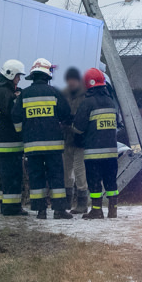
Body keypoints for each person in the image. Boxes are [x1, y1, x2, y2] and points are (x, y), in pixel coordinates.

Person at [12, 58, 73, 219]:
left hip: (32, 146)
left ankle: (40, 211)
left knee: (36, 177)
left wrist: (22, 131)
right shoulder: (55, 93)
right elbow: (66, 114)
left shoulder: (24, 94)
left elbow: (15, 117)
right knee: (56, 176)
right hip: (53, 145)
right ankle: (59, 210)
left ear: (33, 76)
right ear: (47, 76)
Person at [73, 68, 119, 219]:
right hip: (112, 153)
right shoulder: (111, 102)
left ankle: (97, 210)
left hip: (94, 153)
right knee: (111, 182)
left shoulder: (87, 103)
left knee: (94, 183)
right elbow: (117, 123)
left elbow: (78, 128)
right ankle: (113, 210)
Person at [0, 59, 28, 216]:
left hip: (4, 143)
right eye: (17, 76)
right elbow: (14, 113)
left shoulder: (0, 92)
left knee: (8, 177)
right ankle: (11, 208)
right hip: (10, 143)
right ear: (10, 74)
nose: (19, 79)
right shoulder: (5, 94)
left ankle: (7, 206)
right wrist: (19, 100)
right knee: (13, 177)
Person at [61, 67, 89, 215]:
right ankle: (67, 201)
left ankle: (82, 203)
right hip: (66, 139)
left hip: (80, 141)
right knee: (66, 172)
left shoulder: (85, 95)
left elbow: (84, 117)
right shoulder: (64, 94)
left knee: (79, 171)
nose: (71, 82)